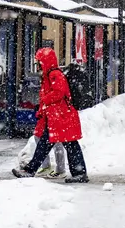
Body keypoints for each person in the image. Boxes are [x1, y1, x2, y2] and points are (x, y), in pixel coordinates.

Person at [12, 47, 88, 183]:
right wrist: (42, 110)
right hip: (57, 117)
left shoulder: (54, 75)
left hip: (61, 118)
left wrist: (45, 100)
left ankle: (79, 173)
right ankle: (79, 172)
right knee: (54, 144)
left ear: (45, 61)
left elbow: (59, 93)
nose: (38, 65)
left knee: (65, 144)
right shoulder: (49, 75)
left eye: (40, 61)